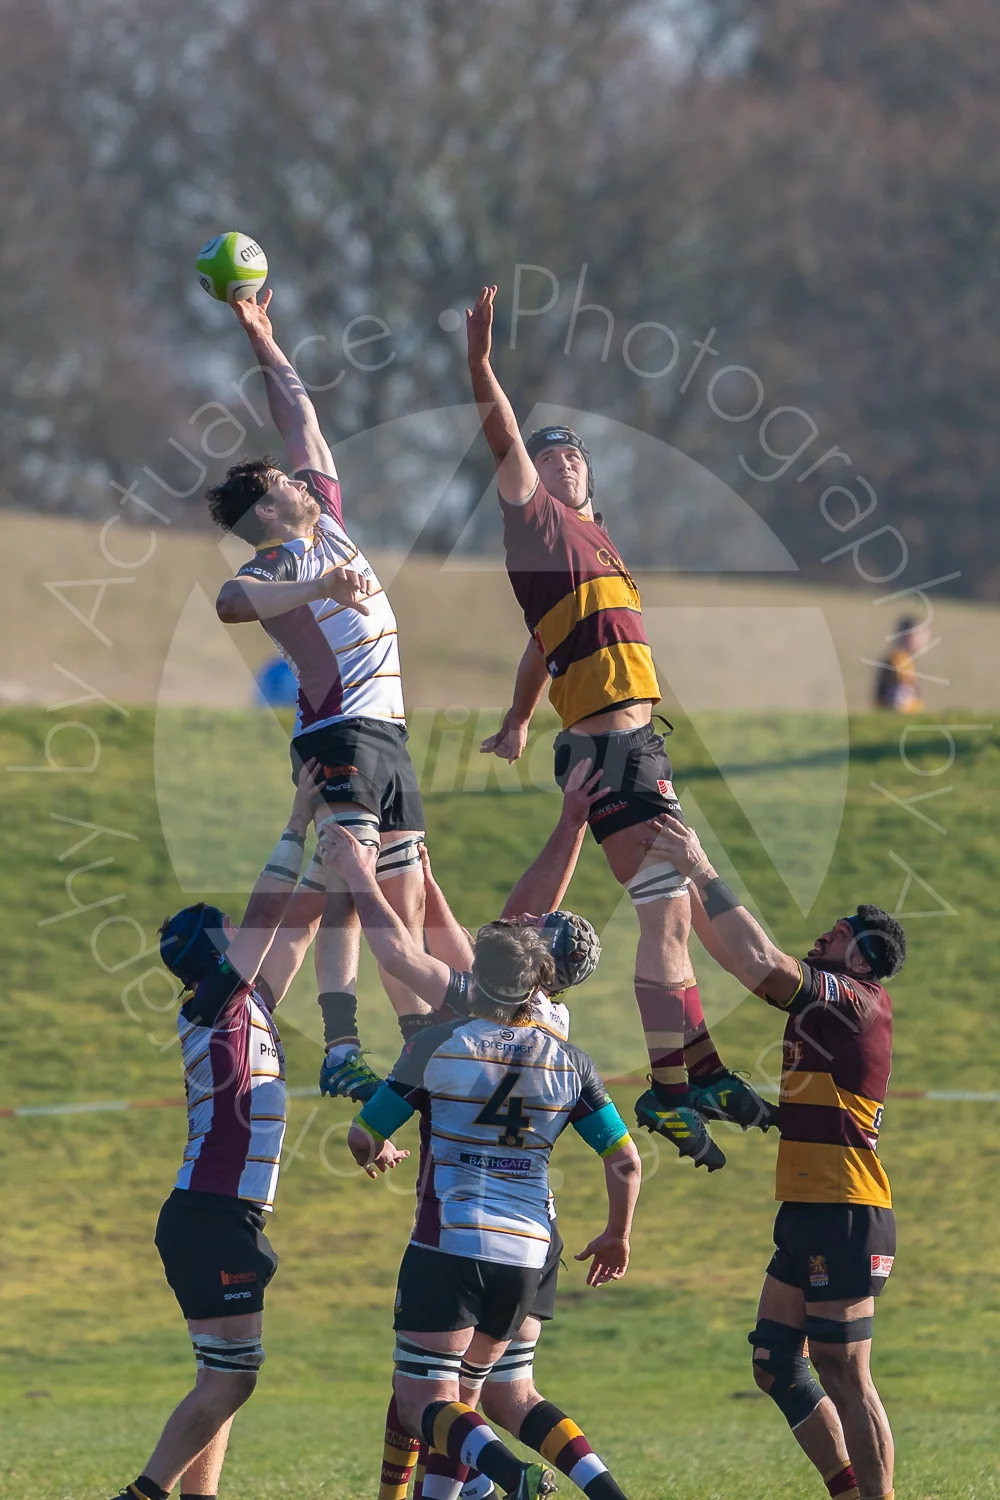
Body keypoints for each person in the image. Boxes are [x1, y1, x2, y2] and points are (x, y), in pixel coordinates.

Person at [465, 284, 774, 1170]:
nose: (559, 461)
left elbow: (543, 646)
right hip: (607, 748)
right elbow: (504, 435)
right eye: (548, 454)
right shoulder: (537, 524)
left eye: (573, 454)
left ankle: (700, 1073)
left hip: (636, 743)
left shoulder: (598, 548)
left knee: (679, 908)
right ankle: (672, 1091)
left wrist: (518, 717)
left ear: (591, 477)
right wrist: (481, 363)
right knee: (666, 915)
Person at [320, 762, 605, 1500]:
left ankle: (468, 1488)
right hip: (532, 1227)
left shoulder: (480, 1009)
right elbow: (505, 927)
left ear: (537, 965)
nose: (522, 922)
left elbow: (401, 953)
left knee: (435, 1392)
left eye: (532, 930)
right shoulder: (542, 1017)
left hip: (461, 1217)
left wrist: (360, 874)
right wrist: (425, 872)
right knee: (475, 1392)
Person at [340, 889, 641, 1500]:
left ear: (475, 976)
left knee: (423, 1399)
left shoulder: (436, 1046)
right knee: (499, 1395)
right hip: (529, 1250)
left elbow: (361, 1135)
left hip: (450, 1242)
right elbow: (626, 1161)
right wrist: (617, 1233)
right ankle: (605, 1493)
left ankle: (513, 1477)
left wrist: (377, 1150)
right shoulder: (570, 1062)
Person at [643, 810, 905, 1500]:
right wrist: (668, 887)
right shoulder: (828, 1005)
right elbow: (735, 954)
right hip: (808, 1208)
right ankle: (847, 1491)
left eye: (838, 934)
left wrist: (700, 866)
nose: (824, 936)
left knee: (844, 1371)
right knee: (774, 1363)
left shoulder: (856, 1001)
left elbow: (759, 963)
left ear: (861, 960)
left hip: (847, 1211)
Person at [208, 287, 430, 1097]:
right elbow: (229, 603)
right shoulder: (277, 563)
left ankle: (419, 1046)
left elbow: (299, 415)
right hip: (339, 734)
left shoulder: (328, 519)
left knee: (402, 894)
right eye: (282, 480)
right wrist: (318, 589)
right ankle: (338, 1046)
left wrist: (260, 334)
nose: (299, 476)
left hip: (389, 736)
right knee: (347, 883)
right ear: (269, 507)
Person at [110, 763, 325, 1500]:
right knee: (233, 1378)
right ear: (218, 949)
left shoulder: (247, 1003)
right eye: (231, 932)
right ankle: (144, 1494)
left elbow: (299, 925)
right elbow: (268, 912)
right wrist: (296, 820)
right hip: (210, 1216)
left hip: (220, 1216)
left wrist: (345, 842)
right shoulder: (212, 1004)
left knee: (223, 1376)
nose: (243, 932)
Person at [873, 616, 928, 713]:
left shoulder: (904, 661)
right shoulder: (899, 662)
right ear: (906, 636)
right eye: (920, 634)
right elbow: (900, 703)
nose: (924, 639)